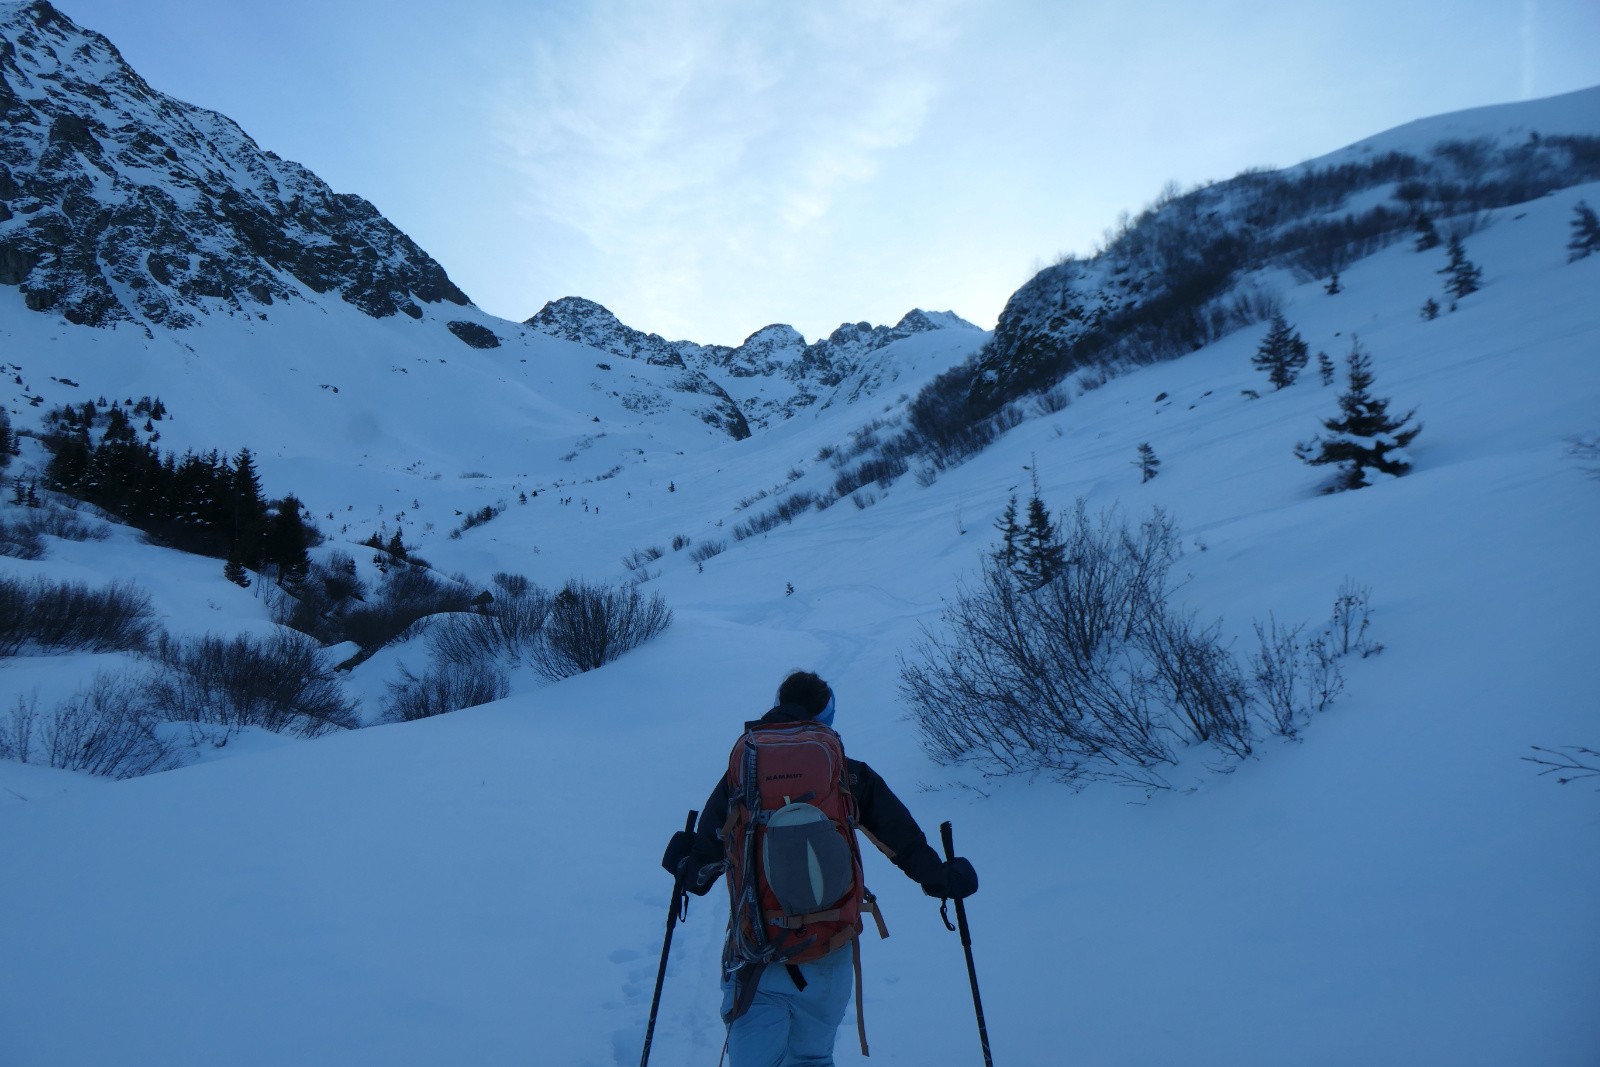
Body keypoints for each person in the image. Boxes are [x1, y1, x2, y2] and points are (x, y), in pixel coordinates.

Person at [661, 670, 978, 1066]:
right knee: (812, 1058)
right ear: (825, 718)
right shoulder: (846, 772)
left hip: (757, 954)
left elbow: (700, 873)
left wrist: (680, 859)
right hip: (828, 950)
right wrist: (944, 879)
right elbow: (904, 841)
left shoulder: (741, 775)